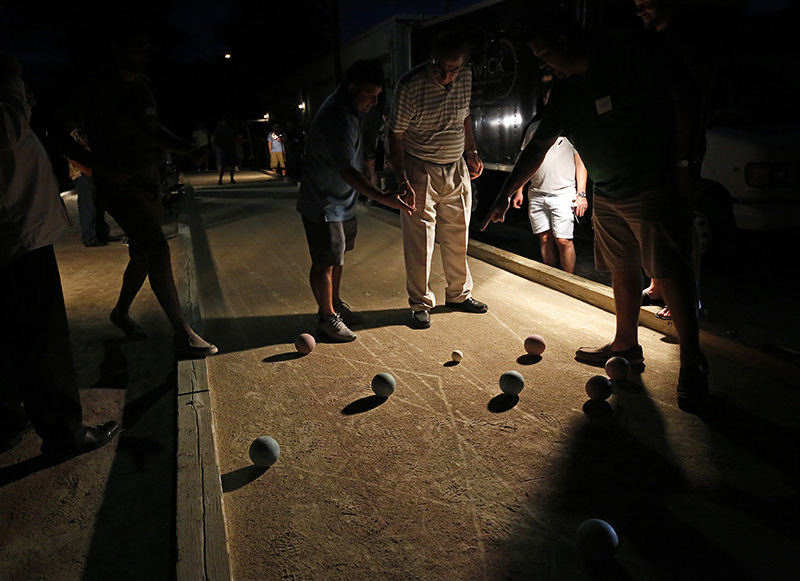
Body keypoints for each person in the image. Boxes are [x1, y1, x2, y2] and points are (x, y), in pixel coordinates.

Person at [482, 25, 709, 412]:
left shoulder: (624, 65)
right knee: (621, 268)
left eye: (544, 52)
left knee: (669, 271)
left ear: (566, 41)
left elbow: (681, 102)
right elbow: (537, 147)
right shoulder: (567, 94)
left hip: (651, 186)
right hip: (608, 193)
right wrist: (505, 193)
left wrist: (686, 164)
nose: (543, 63)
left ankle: (692, 363)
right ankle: (626, 345)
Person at [1, 51, 120, 457]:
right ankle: (63, 433)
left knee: (10, 337)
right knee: (41, 339)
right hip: (16, 234)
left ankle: (9, 420)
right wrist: (12, 81)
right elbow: (8, 129)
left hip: (15, 231)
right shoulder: (7, 98)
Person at [85, 30, 217, 358]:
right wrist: (100, 167)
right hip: (119, 184)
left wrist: (188, 150)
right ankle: (182, 332)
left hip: (148, 181)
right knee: (157, 249)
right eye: (136, 48)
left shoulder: (142, 85)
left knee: (143, 253)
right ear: (118, 49)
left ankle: (120, 312)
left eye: (146, 49)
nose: (143, 55)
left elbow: (154, 132)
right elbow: (60, 134)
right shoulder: (98, 88)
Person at [297, 59, 414, 342]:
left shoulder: (352, 110)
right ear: (351, 88)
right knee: (325, 260)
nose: (374, 102)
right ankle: (326, 318)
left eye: (377, 96)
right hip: (324, 201)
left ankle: (334, 304)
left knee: (338, 257)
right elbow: (346, 170)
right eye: (369, 95)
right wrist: (383, 198)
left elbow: (355, 162)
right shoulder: (337, 115)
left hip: (341, 200)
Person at [388, 30, 488, 330]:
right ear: (431, 59)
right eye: (440, 68)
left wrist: (471, 151)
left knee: (458, 233)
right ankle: (420, 303)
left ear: (464, 63)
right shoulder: (410, 85)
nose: (447, 76)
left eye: (454, 69)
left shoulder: (466, 76)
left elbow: (465, 115)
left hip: (455, 165)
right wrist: (402, 179)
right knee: (420, 241)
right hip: (420, 167)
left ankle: (458, 294)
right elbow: (395, 135)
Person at [634, 0, 715, 320]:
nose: (640, 11)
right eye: (637, 5)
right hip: (654, 146)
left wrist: (684, 161)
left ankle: (688, 296)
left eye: (647, 4)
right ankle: (657, 286)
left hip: (680, 148)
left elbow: (688, 104)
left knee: (680, 224)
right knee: (653, 218)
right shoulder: (653, 41)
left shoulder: (689, 42)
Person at [512, 127, 588, 274]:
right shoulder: (535, 127)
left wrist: (581, 194)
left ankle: (568, 280)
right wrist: (519, 191)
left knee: (563, 240)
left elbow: (581, 163)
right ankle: (550, 277)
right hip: (537, 193)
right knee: (545, 238)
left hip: (563, 193)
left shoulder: (572, 128)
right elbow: (525, 160)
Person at [62, 119, 113, 247]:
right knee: (88, 206)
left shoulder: (83, 131)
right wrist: (86, 169)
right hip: (81, 173)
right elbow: (70, 155)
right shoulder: (73, 134)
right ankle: (89, 237)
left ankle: (101, 234)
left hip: (90, 171)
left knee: (97, 205)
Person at [213, 117, 237, 184]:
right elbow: (215, 140)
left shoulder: (230, 129)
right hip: (223, 149)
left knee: (231, 165)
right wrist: (219, 146)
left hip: (230, 148)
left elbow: (234, 137)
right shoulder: (218, 130)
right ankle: (220, 179)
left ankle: (232, 178)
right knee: (223, 165)